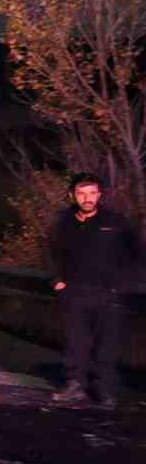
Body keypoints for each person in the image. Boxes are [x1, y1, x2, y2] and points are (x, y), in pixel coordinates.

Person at [47, 173, 144, 409]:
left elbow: (137, 254)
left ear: (99, 195)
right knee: (75, 343)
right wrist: (56, 280)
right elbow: (51, 252)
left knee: (106, 345)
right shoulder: (63, 222)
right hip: (74, 292)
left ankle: (105, 390)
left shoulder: (115, 222)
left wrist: (124, 284)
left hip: (108, 294)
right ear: (73, 195)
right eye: (81, 193)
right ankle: (75, 385)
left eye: (92, 193)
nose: (87, 198)